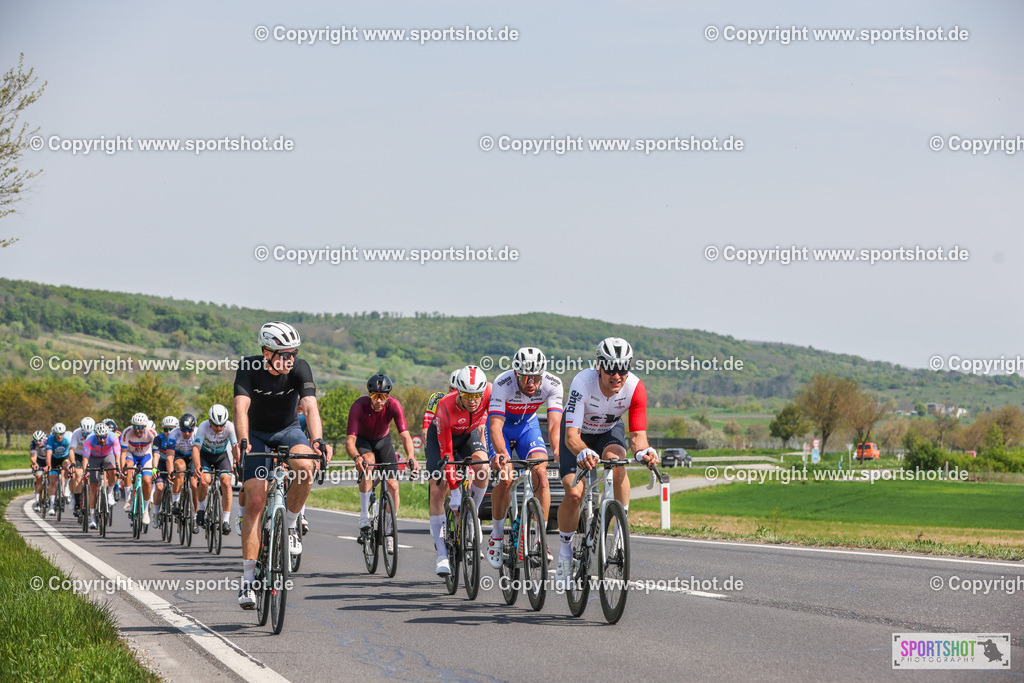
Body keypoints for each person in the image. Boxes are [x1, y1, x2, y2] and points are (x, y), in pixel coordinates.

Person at [234, 321, 331, 610]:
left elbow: (310, 406)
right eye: (283, 354)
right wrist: (242, 441)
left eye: (293, 353)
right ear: (266, 352)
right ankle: (248, 581)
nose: (290, 359)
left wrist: (318, 440)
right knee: (255, 499)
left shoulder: (300, 368)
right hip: (256, 435)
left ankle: (290, 525)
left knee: (305, 466)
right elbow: (241, 408)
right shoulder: (249, 367)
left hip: (288, 431)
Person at [553, 337, 659, 590]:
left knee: (617, 464)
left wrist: (645, 452)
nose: (617, 375)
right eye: (610, 368)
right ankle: (565, 552)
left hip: (608, 431)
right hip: (578, 434)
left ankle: (619, 525)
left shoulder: (635, 387)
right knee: (575, 493)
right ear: (599, 366)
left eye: (623, 368)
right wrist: (583, 452)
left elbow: (637, 437)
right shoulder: (583, 382)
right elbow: (571, 437)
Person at [485, 347, 563, 568]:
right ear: (515, 373)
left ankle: (540, 539)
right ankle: (497, 535)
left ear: (543, 374)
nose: (530, 382)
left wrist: (556, 448)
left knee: (542, 475)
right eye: (524, 377)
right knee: (506, 477)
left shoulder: (553, 384)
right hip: (502, 429)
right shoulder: (502, 383)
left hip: (528, 427)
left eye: (535, 377)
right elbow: (495, 426)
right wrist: (502, 456)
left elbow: (555, 423)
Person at [424, 365, 491, 576]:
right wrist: (454, 492)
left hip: (467, 435)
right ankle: (442, 554)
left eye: (477, 395)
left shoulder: (489, 392)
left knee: (483, 468)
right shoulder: (444, 406)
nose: (473, 400)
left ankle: (472, 516)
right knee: (438, 487)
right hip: (442, 439)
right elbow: (447, 453)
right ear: (457, 393)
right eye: (466, 395)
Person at [347, 373, 419, 546]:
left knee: (393, 486)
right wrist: (357, 457)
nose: (379, 401)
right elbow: (350, 441)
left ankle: (388, 530)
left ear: (388, 396)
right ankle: (364, 516)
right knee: (369, 462)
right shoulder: (359, 406)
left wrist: (411, 456)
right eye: (375, 396)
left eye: (383, 397)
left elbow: (405, 436)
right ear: (369, 394)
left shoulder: (394, 405)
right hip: (364, 442)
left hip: (383, 442)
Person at [192, 404, 238, 535]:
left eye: (221, 425)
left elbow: (235, 446)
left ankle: (226, 520)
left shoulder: (229, 426)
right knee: (205, 480)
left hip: (221, 456)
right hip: (205, 456)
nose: (219, 428)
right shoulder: (203, 426)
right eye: (216, 425)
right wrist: (197, 467)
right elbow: (196, 448)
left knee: (226, 482)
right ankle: (201, 509)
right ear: (210, 422)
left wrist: (235, 463)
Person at [82, 422, 121, 529]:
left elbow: (117, 454)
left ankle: (109, 492)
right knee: (93, 487)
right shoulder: (89, 439)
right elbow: (85, 457)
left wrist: (118, 467)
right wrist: (86, 471)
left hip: (108, 455)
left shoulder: (113, 437)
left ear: (107, 435)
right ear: (95, 436)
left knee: (113, 471)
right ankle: (92, 518)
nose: (102, 440)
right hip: (94, 457)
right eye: (99, 438)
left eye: (104, 437)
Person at [120, 412, 156, 525]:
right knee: (128, 468)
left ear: (145, 426)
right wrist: (122, 470)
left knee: (147, 481)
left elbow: (156, 453)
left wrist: (155, 467)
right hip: (132, 455)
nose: (138, 430)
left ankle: (145, 511)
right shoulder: (127, 432)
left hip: (146, 456)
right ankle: (127, 500)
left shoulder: (152, 433)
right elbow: (123, 453)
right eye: (135, 426)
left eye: (141, 427)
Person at [164, 413, 198, 525]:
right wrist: (170, 474)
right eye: (184, 430)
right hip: (179, 455)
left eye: (190, 430)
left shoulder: (197, 433)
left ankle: (197, 514)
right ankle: (176, 501)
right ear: (180, 428)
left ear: (194, 428)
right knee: (180, 468)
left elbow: (199, 454)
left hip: (192, 456)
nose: (187, 433)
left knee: (194, 484)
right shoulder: (174, 434)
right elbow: (169, 457)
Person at [151, 415, 178, 528]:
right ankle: (156, 513)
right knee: (159, 487)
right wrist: (154, 467)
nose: (168, 432)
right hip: (162, 463)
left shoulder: (178, 438)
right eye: (166, 429)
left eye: (171, 429)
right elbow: (156, 455)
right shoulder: (158, 438)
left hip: (174, 462)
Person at [67, 417, 96, 517]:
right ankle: (77, 503)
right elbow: (71, 450)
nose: (86, 436)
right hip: (79, 455)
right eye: (84, 433)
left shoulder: (96, 434)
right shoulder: (76, 433)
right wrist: (73, 463)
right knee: (78, 474)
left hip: (92, 455)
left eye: (88, 434)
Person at [44, 423, 72, 516]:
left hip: (64, 457)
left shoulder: (68, 439)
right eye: (57, 434)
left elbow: (72, 452)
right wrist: (48, 465)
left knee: (67, 467)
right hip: (54, 459)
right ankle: (51, 505)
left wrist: (72, 464)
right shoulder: (50, 439)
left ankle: (66, 487)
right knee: (53, 480)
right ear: (54, 433)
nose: (59, 436)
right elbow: (48, 453)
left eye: (61, 434)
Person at [421, 369, 459, 435]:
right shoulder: (437, 398)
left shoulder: (472, 402)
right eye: (454, 390)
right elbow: (425, 430)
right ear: (450, 388)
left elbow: (480, 430)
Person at [29, 429, 48, 511]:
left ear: (44, 438)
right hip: (40, 460)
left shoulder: (48, 442)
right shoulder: (33, 444)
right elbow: (33, 456)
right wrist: (35, 464)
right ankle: (37, 500)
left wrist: (49, 465)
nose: (38, 442)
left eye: (40, 440)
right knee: (39, 477)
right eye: (36, 440)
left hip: (49, 459)